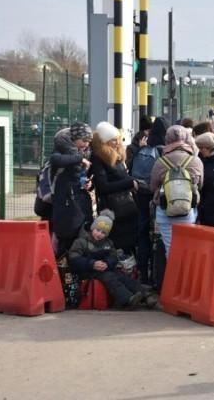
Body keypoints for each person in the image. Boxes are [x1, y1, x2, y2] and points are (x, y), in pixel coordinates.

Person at [68, 210, 156, 309]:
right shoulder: (81, 241)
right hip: (87, 270)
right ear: (93, 228)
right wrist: (92, 264)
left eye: (103, 233)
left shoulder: (108, 243)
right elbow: (74, 259)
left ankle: (146, 295)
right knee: (110, 278)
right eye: (97, 230)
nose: (99, 234)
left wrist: (107, 263)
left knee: (123, 277)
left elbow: (113, 256)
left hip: (104, 268)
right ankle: (127, 299)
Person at [149, 125, 203, 256]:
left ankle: (173, 274)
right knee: (186, 249)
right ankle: (186, 275)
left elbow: (153, 187)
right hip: (187, 210)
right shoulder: (195, 161)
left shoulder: (161, 162)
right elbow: (200, 185)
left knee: (170, 249)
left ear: (167, 140)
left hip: (165, 210)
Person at [128, 117, 168, 283]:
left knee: (142, 234)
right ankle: (158, 275)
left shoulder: (142, 149)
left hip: (140, 196)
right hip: (157, 197)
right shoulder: (162, 150)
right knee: (160, 236)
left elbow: (130, 170)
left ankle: (143, 273)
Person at [90, 122, 139, 255]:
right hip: (113, 209)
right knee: (119, 244)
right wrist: (129, 183)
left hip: (124, 207)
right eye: (113, 140)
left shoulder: (116, 157)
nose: (117, 143)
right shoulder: (98, 158)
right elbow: (103, 186)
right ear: (104, 142)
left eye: (118, 139)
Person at [49, 123, 94, 255]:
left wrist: (88, 183)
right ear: (75, 138)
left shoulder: (84, 151)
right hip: (65, 201)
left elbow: (80, 174)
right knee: (66, 236)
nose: (86, 144)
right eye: (84, 140)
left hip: (79, 197)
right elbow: (56, 160)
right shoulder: (61, 148)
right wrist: (80, 159)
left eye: (88, 142)